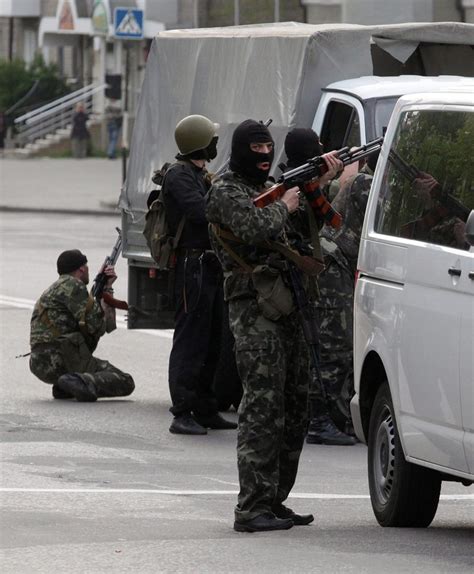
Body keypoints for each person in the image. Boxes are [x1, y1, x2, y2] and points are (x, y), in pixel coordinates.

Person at [206, 119, 343, 533]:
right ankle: (251, 507)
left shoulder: (282, 188)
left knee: (294, 406)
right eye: (256, 149)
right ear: (241, 150)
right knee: (263, 409)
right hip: (254, 308)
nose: (264, 156)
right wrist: (286, 203)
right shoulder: (226, 190)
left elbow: (308, 236)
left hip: (290, 303)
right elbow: (254, 227)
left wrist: (317, 186)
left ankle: (274, 499)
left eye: (269, 148)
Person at [161, 114, 237, 435]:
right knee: (190, 339)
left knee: (213, 339)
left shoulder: (198, 173)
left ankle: (204, 406)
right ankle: (182, 411)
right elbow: (202, 211)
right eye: (212, 139)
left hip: (210, 264)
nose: (216, 144)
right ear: (199, 142)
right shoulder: (179, 176)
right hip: (192, 266)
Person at [283, 128, 357, 446]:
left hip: (308, 274)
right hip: (303, 275)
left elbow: (325, 219)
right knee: (321, 348)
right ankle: (318, 420)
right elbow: (311, 223)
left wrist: (323, 181)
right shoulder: (290, 187)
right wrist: (324, 182)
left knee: (317, 348)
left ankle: (320, 417)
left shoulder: (305, 183)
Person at [312, 149, 380, 438]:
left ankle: (333, 417)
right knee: (333, 347)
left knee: (340, 346)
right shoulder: (366, 184)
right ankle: (318, 420)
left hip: (338, 263)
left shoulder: (365, 181)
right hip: (335, 262)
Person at [29, 249, 135, 401]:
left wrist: (101, 286)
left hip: (39, 363)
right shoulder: (75, 285)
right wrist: (107, 289)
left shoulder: (55, 288)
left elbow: (86, 317)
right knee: (125, 381)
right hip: (60, 360)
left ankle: (64, 385)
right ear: (81, 269)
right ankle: (81, 382)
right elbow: (99, 326)